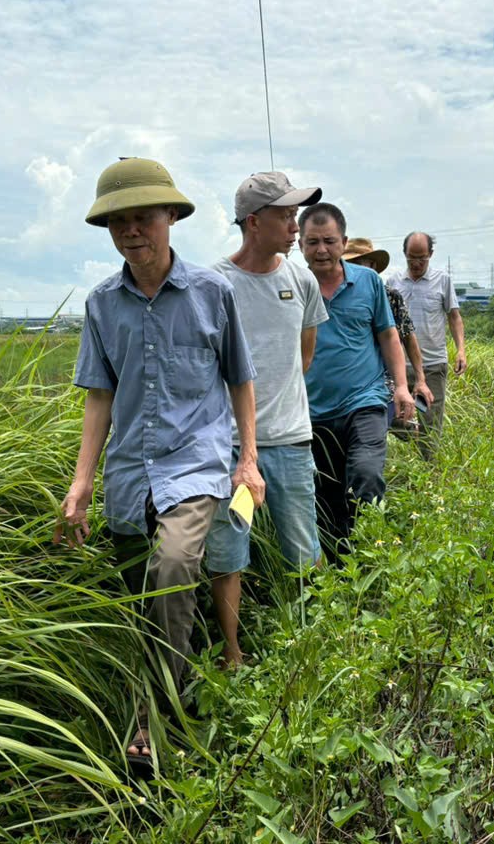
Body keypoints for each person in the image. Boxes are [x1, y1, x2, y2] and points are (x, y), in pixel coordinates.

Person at [56, 157, 265, 773]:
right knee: (144, 594)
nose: (131, 232)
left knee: (173, 565)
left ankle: (154, 717)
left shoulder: (211, 292)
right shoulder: (102, 305)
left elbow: (240, 379)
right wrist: (81, 482)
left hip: (197, 462)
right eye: (118, 222)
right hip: (129, 473)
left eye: (143, 217)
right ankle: (184, 660)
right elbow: (99, 395)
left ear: (171, 217)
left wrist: (247, 460)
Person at [205, 171, 327, 667]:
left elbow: (305, 349)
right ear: (254, 223)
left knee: (304, 547)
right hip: (230, 449)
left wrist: (277, 398)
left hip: (292, 441)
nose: (295, 225)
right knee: (228, 552)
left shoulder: (300, 279)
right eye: (285, 215)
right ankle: (233, 654)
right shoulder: (215, 284)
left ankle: (313, 638)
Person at [299, 203, 413, 561]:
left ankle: (372, 554)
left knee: (364, 475)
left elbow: (389, 336)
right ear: (299, 244)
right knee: (326, 493)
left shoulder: (368, 283)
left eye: (329, 241)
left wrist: (402, 385)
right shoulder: (291, 286)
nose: (321, 250)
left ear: (343, 242)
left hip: (364, 401)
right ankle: (339, 565)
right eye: (312, 241)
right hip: (311, 410)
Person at [385, 232, 467, 459]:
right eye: (412, 258)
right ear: (404, 255)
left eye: (422, 258)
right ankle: (419, 438)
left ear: (430, 255)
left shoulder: (443, 280)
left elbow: (454, 317)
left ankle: (429, 474)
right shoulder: (393, 283)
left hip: (432, 365)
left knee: (429, 418)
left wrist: (461, 350)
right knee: (390, 417)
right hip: (400, 365)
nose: (417, 263)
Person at [343, 237, 434, 431]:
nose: (353, 269)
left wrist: (420, 379)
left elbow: (408, 337)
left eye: (359, 264)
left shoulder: (390, 296)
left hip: (382, 381)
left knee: (396, 426)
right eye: (349, 264)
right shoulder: (335, 295)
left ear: (373, 266)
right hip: (348, 379)